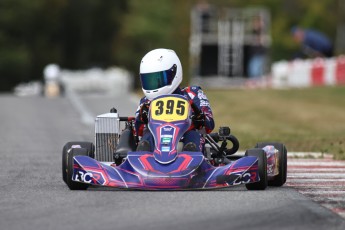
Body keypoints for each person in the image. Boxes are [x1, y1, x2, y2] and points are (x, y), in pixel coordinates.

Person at [135, 48, 214, 152]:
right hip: (156, 142)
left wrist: (200, 117)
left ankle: (191, 158)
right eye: (149, 80)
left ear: (174, 73)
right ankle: (142, 160)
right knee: (146, 138)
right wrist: (142, 118)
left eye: (158, 79)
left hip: (186, 138)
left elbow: (209, 125)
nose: (154, 84)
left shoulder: (193, 93)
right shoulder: (145, 102)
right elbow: (138, 131)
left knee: (193, 136)